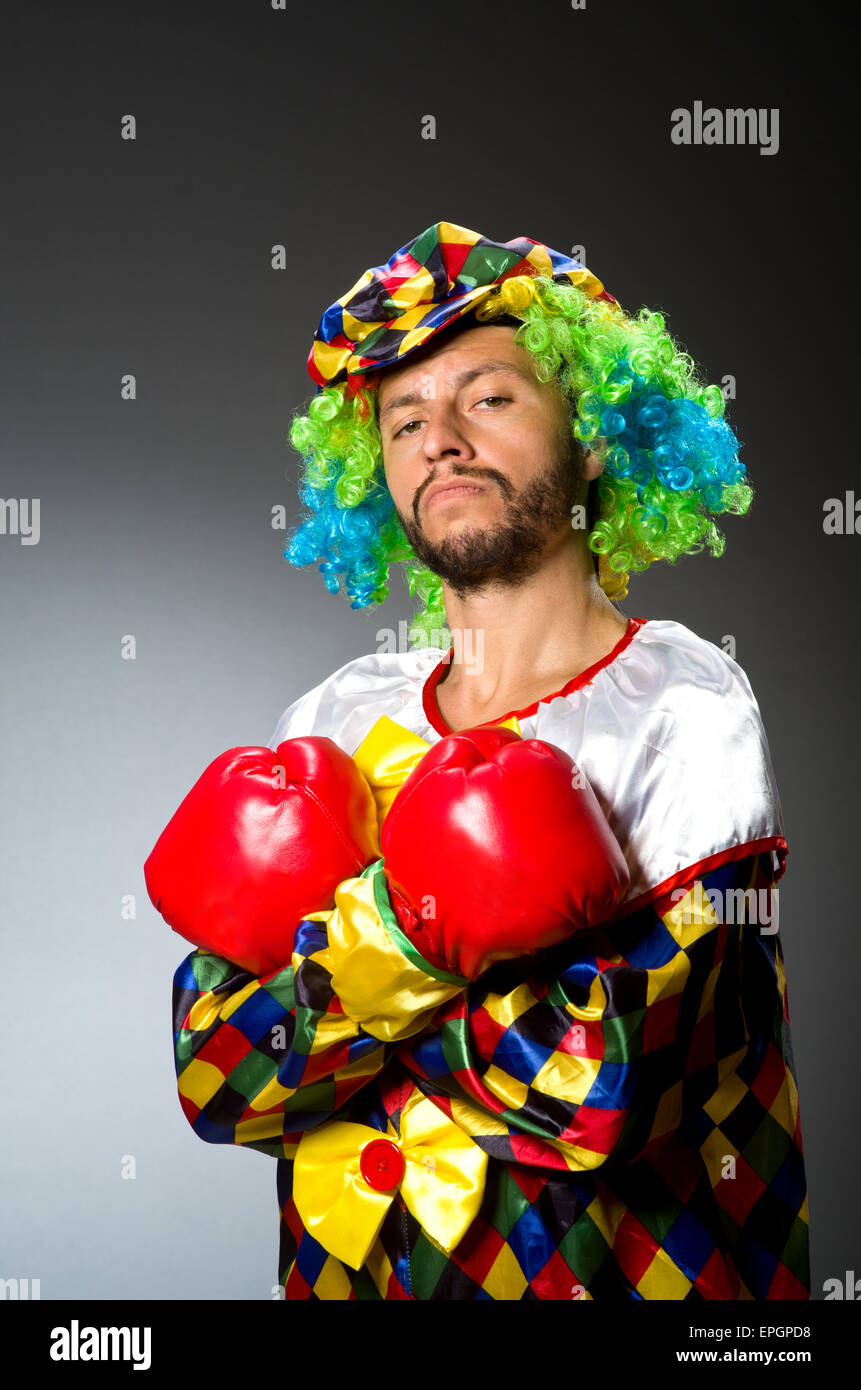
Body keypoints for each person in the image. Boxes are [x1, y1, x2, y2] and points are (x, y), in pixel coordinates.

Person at [155, 222, 809, 1300]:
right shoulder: (335, 720)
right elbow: (219, 1074)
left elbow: (608, 1083)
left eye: (489, 398)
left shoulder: (686, 705)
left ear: (595, 432)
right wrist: (466, 963)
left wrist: (347, 980)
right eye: (404, 419)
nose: (439, 439)